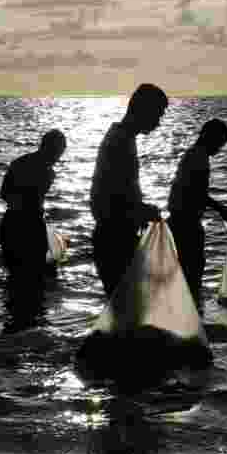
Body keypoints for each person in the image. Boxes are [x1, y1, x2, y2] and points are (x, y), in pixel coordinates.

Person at [89, 83, 169, 296]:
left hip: (116, 237)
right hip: (114, 241)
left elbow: (116, 194)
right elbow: (110, 201)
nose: (159, 123)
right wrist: (142, 211)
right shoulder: (120, 141)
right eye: (158, 115)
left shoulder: (122, 137)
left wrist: (140, 210)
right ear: (144, 110)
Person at [166, 118, 227, 303]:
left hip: (177, 221)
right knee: (192, 273)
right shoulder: (199, 158)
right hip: (186, 224)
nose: (219, 149)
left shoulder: (192, 154)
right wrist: (221, 209)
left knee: (181, 272)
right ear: (209, 136)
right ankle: (191, 316)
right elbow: (197, 193)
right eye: (219, 144)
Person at [0, 129, 67, 279]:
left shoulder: (21, 163)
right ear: (47, 148)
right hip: (24, 227)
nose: (58, 158)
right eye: (58, 152)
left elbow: (4, 193)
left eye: (60, 153)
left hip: (13, 224)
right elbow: (13, 196)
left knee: (17, 280)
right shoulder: (46, 173)